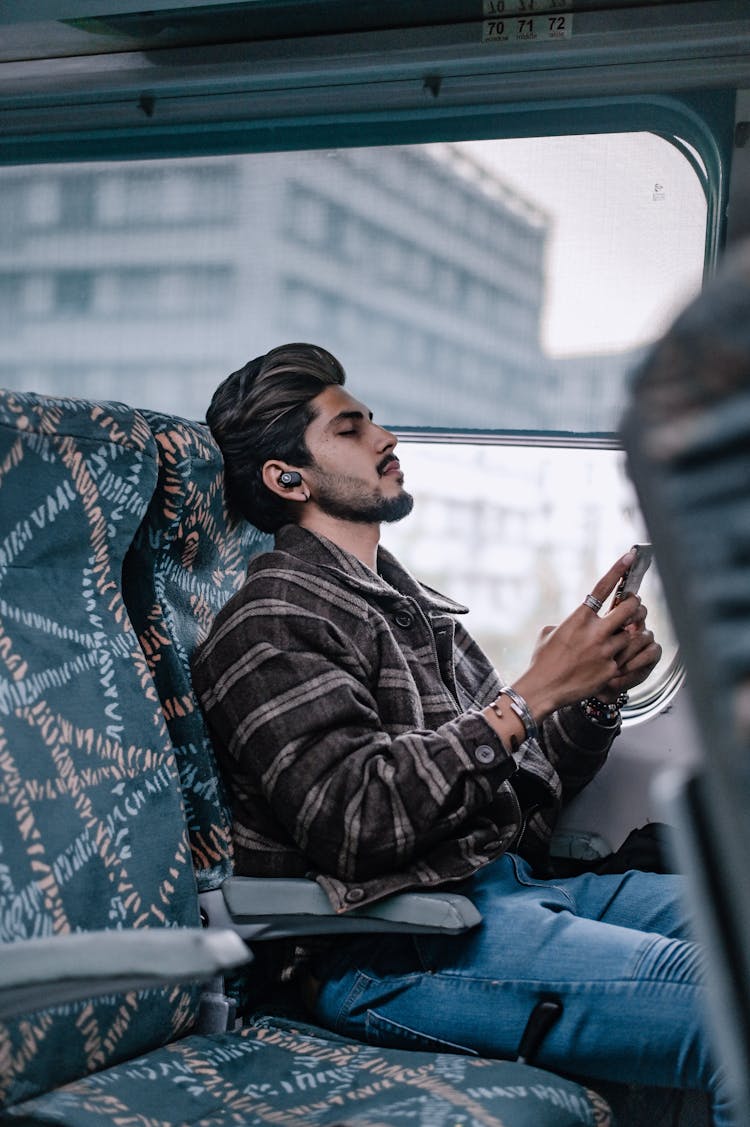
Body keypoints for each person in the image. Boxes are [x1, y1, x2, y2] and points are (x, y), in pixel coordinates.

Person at [191, 342, 729, 1123]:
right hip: (391, 948)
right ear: (287, 477)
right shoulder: (271, 622)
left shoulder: (408, 605)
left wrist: (592, 693)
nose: (386, 439)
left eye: (373, 421)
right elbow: (357, 822)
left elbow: (523, 795)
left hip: (501, 894)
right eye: (350, 429)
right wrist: (529, 693)